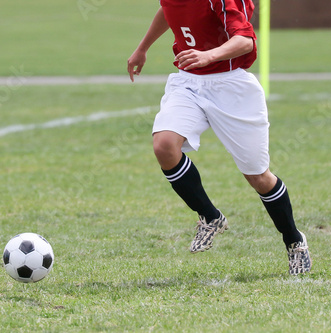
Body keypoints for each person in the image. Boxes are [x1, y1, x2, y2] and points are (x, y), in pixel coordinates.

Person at [127, 0, 311, 275]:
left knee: (259, 177)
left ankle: (294, 241)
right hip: (188, 83)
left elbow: (245, 40)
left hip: (231, 85)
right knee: (164, 146)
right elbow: (169, 10)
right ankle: (210, 216)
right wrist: (142, 48)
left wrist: (209, 55)